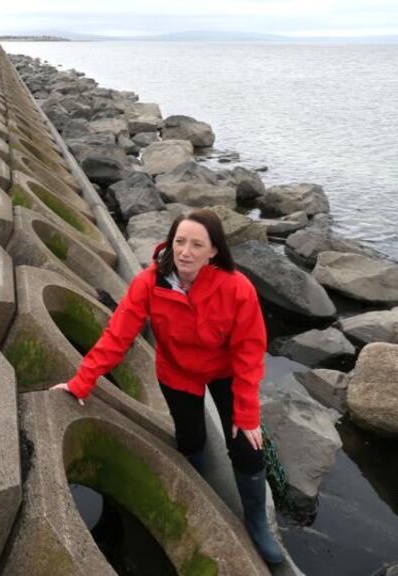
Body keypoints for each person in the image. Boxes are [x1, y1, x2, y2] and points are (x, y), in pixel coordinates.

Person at [51, 208, 284, 565]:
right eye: (179, 242)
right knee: (191, 441)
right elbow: (117, 335)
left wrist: (247, 414)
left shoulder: (237, 288)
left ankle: (256, 522)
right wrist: (81, 383)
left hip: (223, 371)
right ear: (170, 243)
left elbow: (250, 353)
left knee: (247, 448)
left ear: (214, 251)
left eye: (197, 245)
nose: (185, 252)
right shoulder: (150, 282)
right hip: (177, 372)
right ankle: (197, 490)